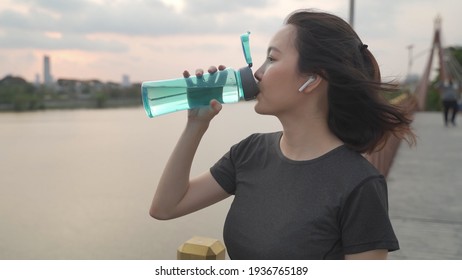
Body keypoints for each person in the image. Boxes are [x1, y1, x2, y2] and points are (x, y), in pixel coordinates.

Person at [149, 9, 415, 260]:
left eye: (272, 59)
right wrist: (196, 126)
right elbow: (166, 207)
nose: (258, 73)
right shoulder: (250, 153)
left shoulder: (359, 184)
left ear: (312, 79)